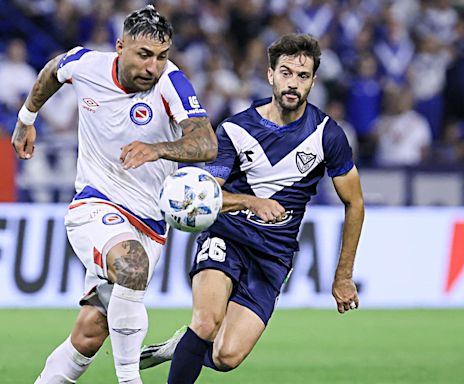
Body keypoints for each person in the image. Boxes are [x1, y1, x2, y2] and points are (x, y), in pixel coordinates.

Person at [140, 33, 365, 383]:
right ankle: (194, 338)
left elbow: (355, 202)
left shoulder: (327, 135)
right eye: (286, 73)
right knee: (206, 321)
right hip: (226, 237)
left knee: (226, 356)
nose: (293, 83)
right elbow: (204, 197)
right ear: (270, 75)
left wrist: (343, 275)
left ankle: (183, 346)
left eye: (302, 76)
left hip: (274, 255)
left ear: (313, 82)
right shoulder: (234, 129)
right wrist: (250, 202)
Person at [11, 6, 217, 384]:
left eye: (161, 57)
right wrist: (27, 119)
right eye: (143, 55)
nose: (153, 67)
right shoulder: (87, 65)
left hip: (151, 222)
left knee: (91, 332)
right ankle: (129, 379)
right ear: (120, 47)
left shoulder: (170, 82)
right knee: (132, 266)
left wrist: (158, 149)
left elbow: (206, 142)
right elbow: (53, 70)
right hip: (94, 203)